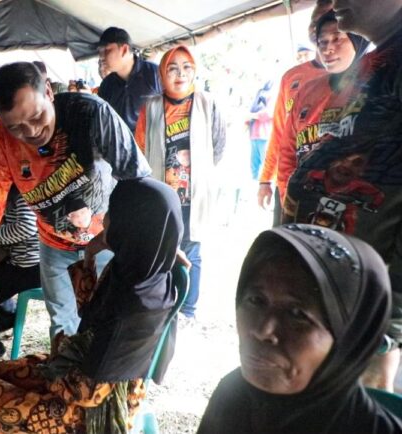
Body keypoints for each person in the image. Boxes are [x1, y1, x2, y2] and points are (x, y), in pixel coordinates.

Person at [0, 62, 151, 339]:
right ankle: (64, 377)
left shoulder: (91, 113)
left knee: (111, 325)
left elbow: (138, 179)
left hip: (108, 239)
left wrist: (155, 237)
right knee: (63, 326)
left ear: (49, 93)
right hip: (54, 246)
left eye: (37, 115)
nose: (31, 131)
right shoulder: (0, 142)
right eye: (16, 126)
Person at [0, 177, 183, 433]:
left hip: (90, 411)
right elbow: (88, 312)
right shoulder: (145, 269)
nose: (104, 219)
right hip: (83, 374)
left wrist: (53, 371)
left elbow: (88, 393)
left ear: (131, 226)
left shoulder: (132, 311)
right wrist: (90, 253)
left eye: (112, 213)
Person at [284, 0, 402, 391]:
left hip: (373, 311)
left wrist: (389, 322)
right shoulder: (378, 60)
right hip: (343, 287)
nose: (334, 3)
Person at [197, 224, 402, 434]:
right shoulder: (233, 395)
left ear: (352, 339)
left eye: (297, 314)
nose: (263, 330)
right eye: (256, 300)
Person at [134, 46, 226, 320]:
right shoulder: (150, 107)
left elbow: (218, 146)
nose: (180, 74)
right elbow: (139, 147)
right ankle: (164, 307)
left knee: (192, 251)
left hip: (194, 195)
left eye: (187, 67)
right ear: (163, 72)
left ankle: (187, 311)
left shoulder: (207, 103)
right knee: (161, 250)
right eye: (173, 68)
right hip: (161, 195)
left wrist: (199, 176)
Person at [257, 0, 333, 217]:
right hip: (290, 181)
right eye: (315, 19)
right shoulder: (292, 77)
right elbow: (280, 133)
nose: (318, 25)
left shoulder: (359, 77)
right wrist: (265, 179)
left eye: (328, 18)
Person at [282, 11, 368, 186]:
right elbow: (287, 152)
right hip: (304, 197)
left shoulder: (375, 89)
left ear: (357, 40)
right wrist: (288, 198)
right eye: (322, 42)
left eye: (337, 39)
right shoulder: (306, 90)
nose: (327, 49)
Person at [0, 186, 41, 362]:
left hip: (29, 267)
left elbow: (26, 227)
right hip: (25, 263)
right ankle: (1, 320)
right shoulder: (20, 188)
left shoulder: (22, 190)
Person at [97, 27, 162, 132]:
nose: (101, 56)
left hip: (151, 145)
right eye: (100, 51)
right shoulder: (106, 85)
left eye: (106, 50)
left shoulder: (155, 74)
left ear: (124, 50)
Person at [248, 80, 274, 181]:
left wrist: (254, 115)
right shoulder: (259, 93)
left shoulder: (272, 94)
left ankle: (265, 186)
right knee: (254, 165)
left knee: (265, 164)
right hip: (254, 135)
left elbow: (271, 112)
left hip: (265, 135)